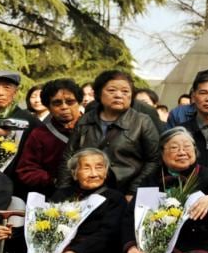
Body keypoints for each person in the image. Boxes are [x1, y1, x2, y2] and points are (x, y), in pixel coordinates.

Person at [58, 70, 160, 200]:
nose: (119, 95)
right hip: (86, 193)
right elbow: (69, 156)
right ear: (99, 94)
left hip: (124, 193)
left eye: (125, 91)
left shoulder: (142, 122)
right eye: (111, 90)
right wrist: (64, 191)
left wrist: (133, 190)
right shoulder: (86, 120)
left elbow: (153, 160)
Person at [15, 79, 82, 197]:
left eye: (70, 102)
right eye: (57, 103)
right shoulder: (39, 134)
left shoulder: (94, 128)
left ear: (79, 103)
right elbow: (26, 170)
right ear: (48, 107)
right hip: (54, 195)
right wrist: (54, 180)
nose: (64, 107)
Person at [0, 71, 40, 182]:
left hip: (16, 186)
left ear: (15, 92)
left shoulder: (30, 121)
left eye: (7, 88)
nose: (0, 93)